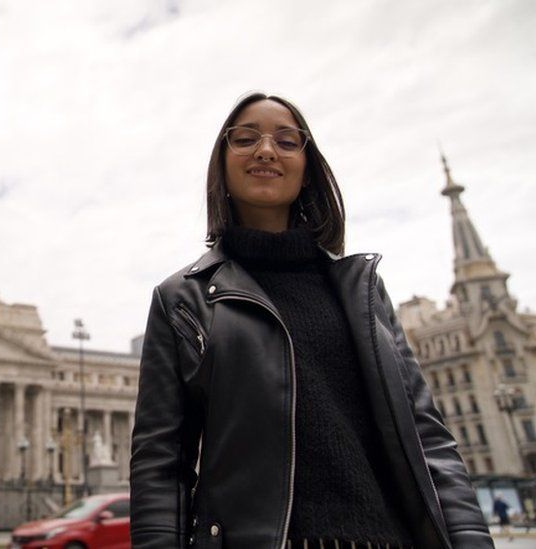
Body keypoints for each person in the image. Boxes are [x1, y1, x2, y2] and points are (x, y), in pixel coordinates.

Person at [129, 92, 494, 549]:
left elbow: (427, 439)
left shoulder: (361, 290)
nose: (265, 149)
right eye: (245, 139)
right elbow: (160, 465)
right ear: (221, 166)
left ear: (307, 170)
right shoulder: (181, 300)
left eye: (286, 141)